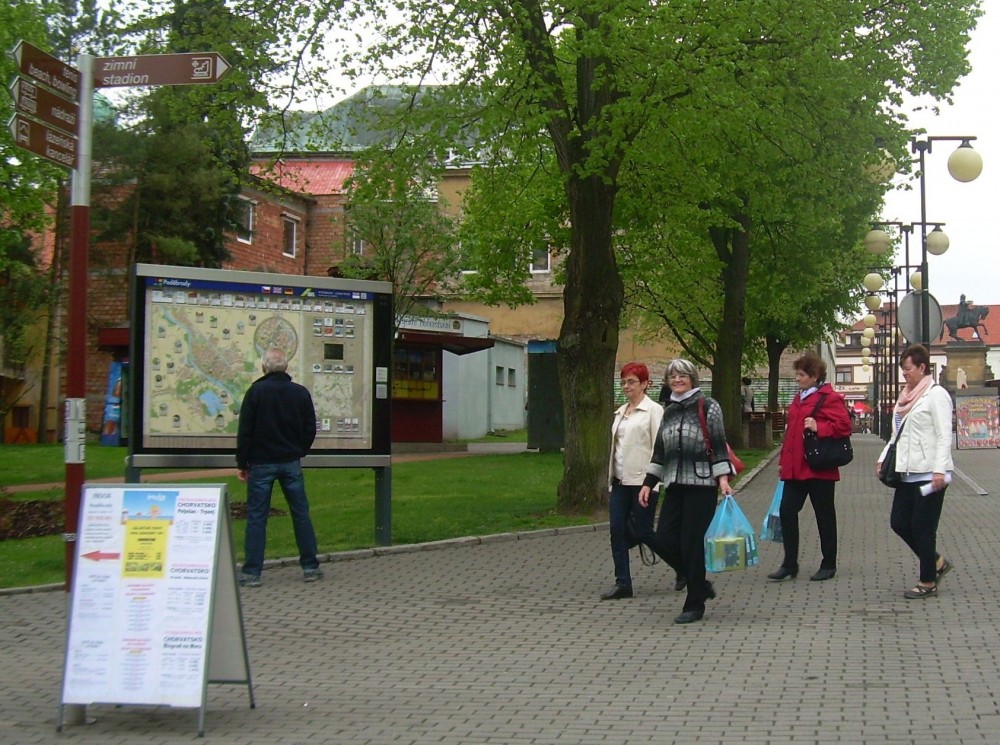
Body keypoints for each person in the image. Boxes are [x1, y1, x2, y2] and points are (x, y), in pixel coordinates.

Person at [639, 359, 733, 624]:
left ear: (692, 378)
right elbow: (660, 451)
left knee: (691, 544)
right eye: (672, 376)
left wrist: (723, 479)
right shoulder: (669, 411)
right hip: (674, 485)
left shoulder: (708, 406)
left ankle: (694, 604)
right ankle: (699, 584)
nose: (677, 380)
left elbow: (719, 444)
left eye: (682, 375)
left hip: (701, 486)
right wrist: (648, 483)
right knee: (663, 538)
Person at [236, 347, 323, 587]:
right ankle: (310, 567)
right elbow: (310, 428)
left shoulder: (255, 392)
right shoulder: (300, 393)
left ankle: (252, 573)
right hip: (290, 461)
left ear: (264, 367)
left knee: (257, 517)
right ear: (286, 367)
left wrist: (242, 463)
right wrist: (299, 450)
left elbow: (245, 431)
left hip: (261, 462)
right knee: (300, 513)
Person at [876, 344, 954, 599]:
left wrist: (939, 470)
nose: (904, 373)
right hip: (906, 473)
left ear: (922, 367)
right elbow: (896, 436)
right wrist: (882, 458)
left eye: (908, 369)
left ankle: (927, 581)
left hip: (930, 475)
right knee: (899, 522)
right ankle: (937, 562)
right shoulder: (905, 397)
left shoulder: (936, 395)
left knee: (923, 528)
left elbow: (944, 435)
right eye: (903, 369)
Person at [768, 351, 852, 583]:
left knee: (824, 516)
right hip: (795, 469)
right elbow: (791, 434)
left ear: (814, 376)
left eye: (802, 374)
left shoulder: (829, 397)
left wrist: (819, 427)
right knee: (787, 511)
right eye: (797, 374)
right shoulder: (799, 398)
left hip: (819, 468)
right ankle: (789, 563)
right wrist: (783, 462)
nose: (797, 378)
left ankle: (828, 564)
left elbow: (844, 426)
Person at [600, 363, 664, 600]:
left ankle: (681, 566)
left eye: (632, 382)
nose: (626, 386)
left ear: (645, 384)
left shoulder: (654, 411)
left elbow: (660, 448)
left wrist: (653, 480)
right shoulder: (621, 412)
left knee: (644, 533)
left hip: (643, 482)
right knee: (616, 530)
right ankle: (623, 583)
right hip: (620, 481)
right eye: (623, 382)